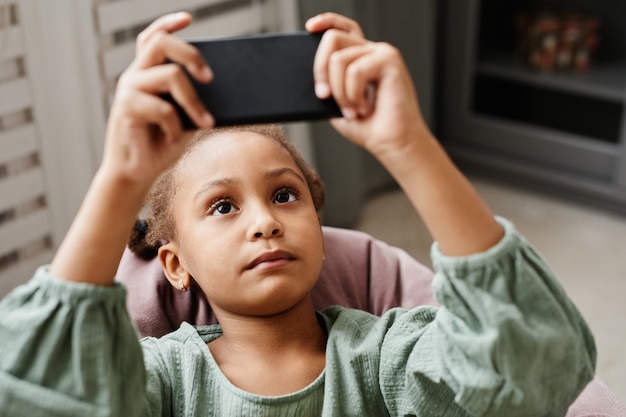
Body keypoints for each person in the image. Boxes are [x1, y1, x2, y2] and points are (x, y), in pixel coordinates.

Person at [0, 11, 596, 417]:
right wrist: (121, 179)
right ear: (174, 266)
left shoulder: (384, 359)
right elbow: (31, 390)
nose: (264, 220)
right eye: (222, 205)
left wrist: (409, 147)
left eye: (285, 194)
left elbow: (535, 369)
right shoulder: (162, 380)